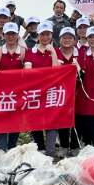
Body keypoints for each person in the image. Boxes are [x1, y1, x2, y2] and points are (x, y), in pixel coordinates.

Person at [24, 21, 60, 157]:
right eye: (42, 34)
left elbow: (58, 71)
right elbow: (28, 71)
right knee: (36, 122)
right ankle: (40, 148)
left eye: (48, 34)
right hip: (36, 92)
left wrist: (53, 53)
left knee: (51, 123)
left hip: (51, 92)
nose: (45, 37)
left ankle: (50, 154)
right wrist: (46, 74)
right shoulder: (30, 52)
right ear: (38, 35)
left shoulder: (55, 51)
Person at [0, 22, 25, 151]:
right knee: (1, 121)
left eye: (13, 34)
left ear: (17, 35)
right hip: (1, 94)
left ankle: (13, 148)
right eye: (8, 34)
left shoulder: (23, 52)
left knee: (16, 121)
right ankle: (1, 150)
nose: (11, 37)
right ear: (3, 35)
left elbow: (27, 72)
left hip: (17, 94)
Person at [55, 27, 81, 157]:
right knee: (63, 118)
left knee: (77, 118)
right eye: (64, 37)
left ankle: (75, 146)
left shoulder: (80, 53)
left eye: (70, 37)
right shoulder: (55, 53)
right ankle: (64, 146)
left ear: (75, 39)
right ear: (59, 39)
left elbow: (84, 73)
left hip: (77, 91)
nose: (67, 40)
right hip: (60, 91)